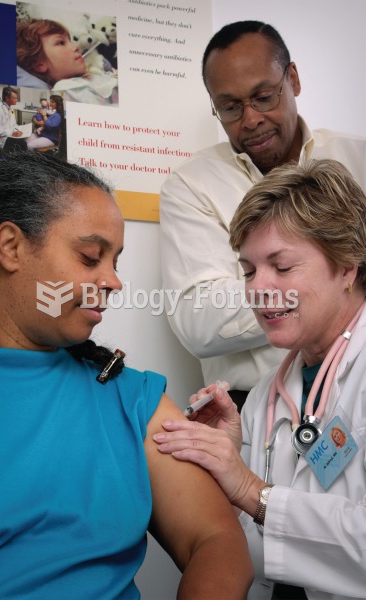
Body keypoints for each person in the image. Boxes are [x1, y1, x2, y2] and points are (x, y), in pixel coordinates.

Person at [0, 152, 252, 599]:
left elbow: (216, 542)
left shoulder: (129, 396)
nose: (114, 282)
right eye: (90, 257)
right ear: (11, 247)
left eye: (115, 262)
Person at [154, 158, 366, 600]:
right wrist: (229, 473)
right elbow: (258, 553)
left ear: (347, 265)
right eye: (248, 271)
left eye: (282, 267)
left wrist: (253, 490)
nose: (258, 289)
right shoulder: (267, 396)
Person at [159, 20, 366, 410]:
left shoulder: (359, 158)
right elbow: (199, 320)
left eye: (264, 97)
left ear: (293, 79)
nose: (250, 119)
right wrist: (324, 288)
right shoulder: (191, 186)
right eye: (230, 107)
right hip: (253, 404)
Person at [17, 19, 118, 105]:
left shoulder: (85, 78)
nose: (76, 47)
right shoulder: (67, 91)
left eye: (70, 40)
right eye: (61, 42)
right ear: (39, 64)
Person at [0, 86, 27, 157]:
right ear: (7, 98)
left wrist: (18, 130)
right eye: (15, 98)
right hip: (1, 140)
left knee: (23, 142)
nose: (16, 100)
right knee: (21, 144)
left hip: (10, 136)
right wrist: (12, 133)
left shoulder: (10, 109)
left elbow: (14, 124)